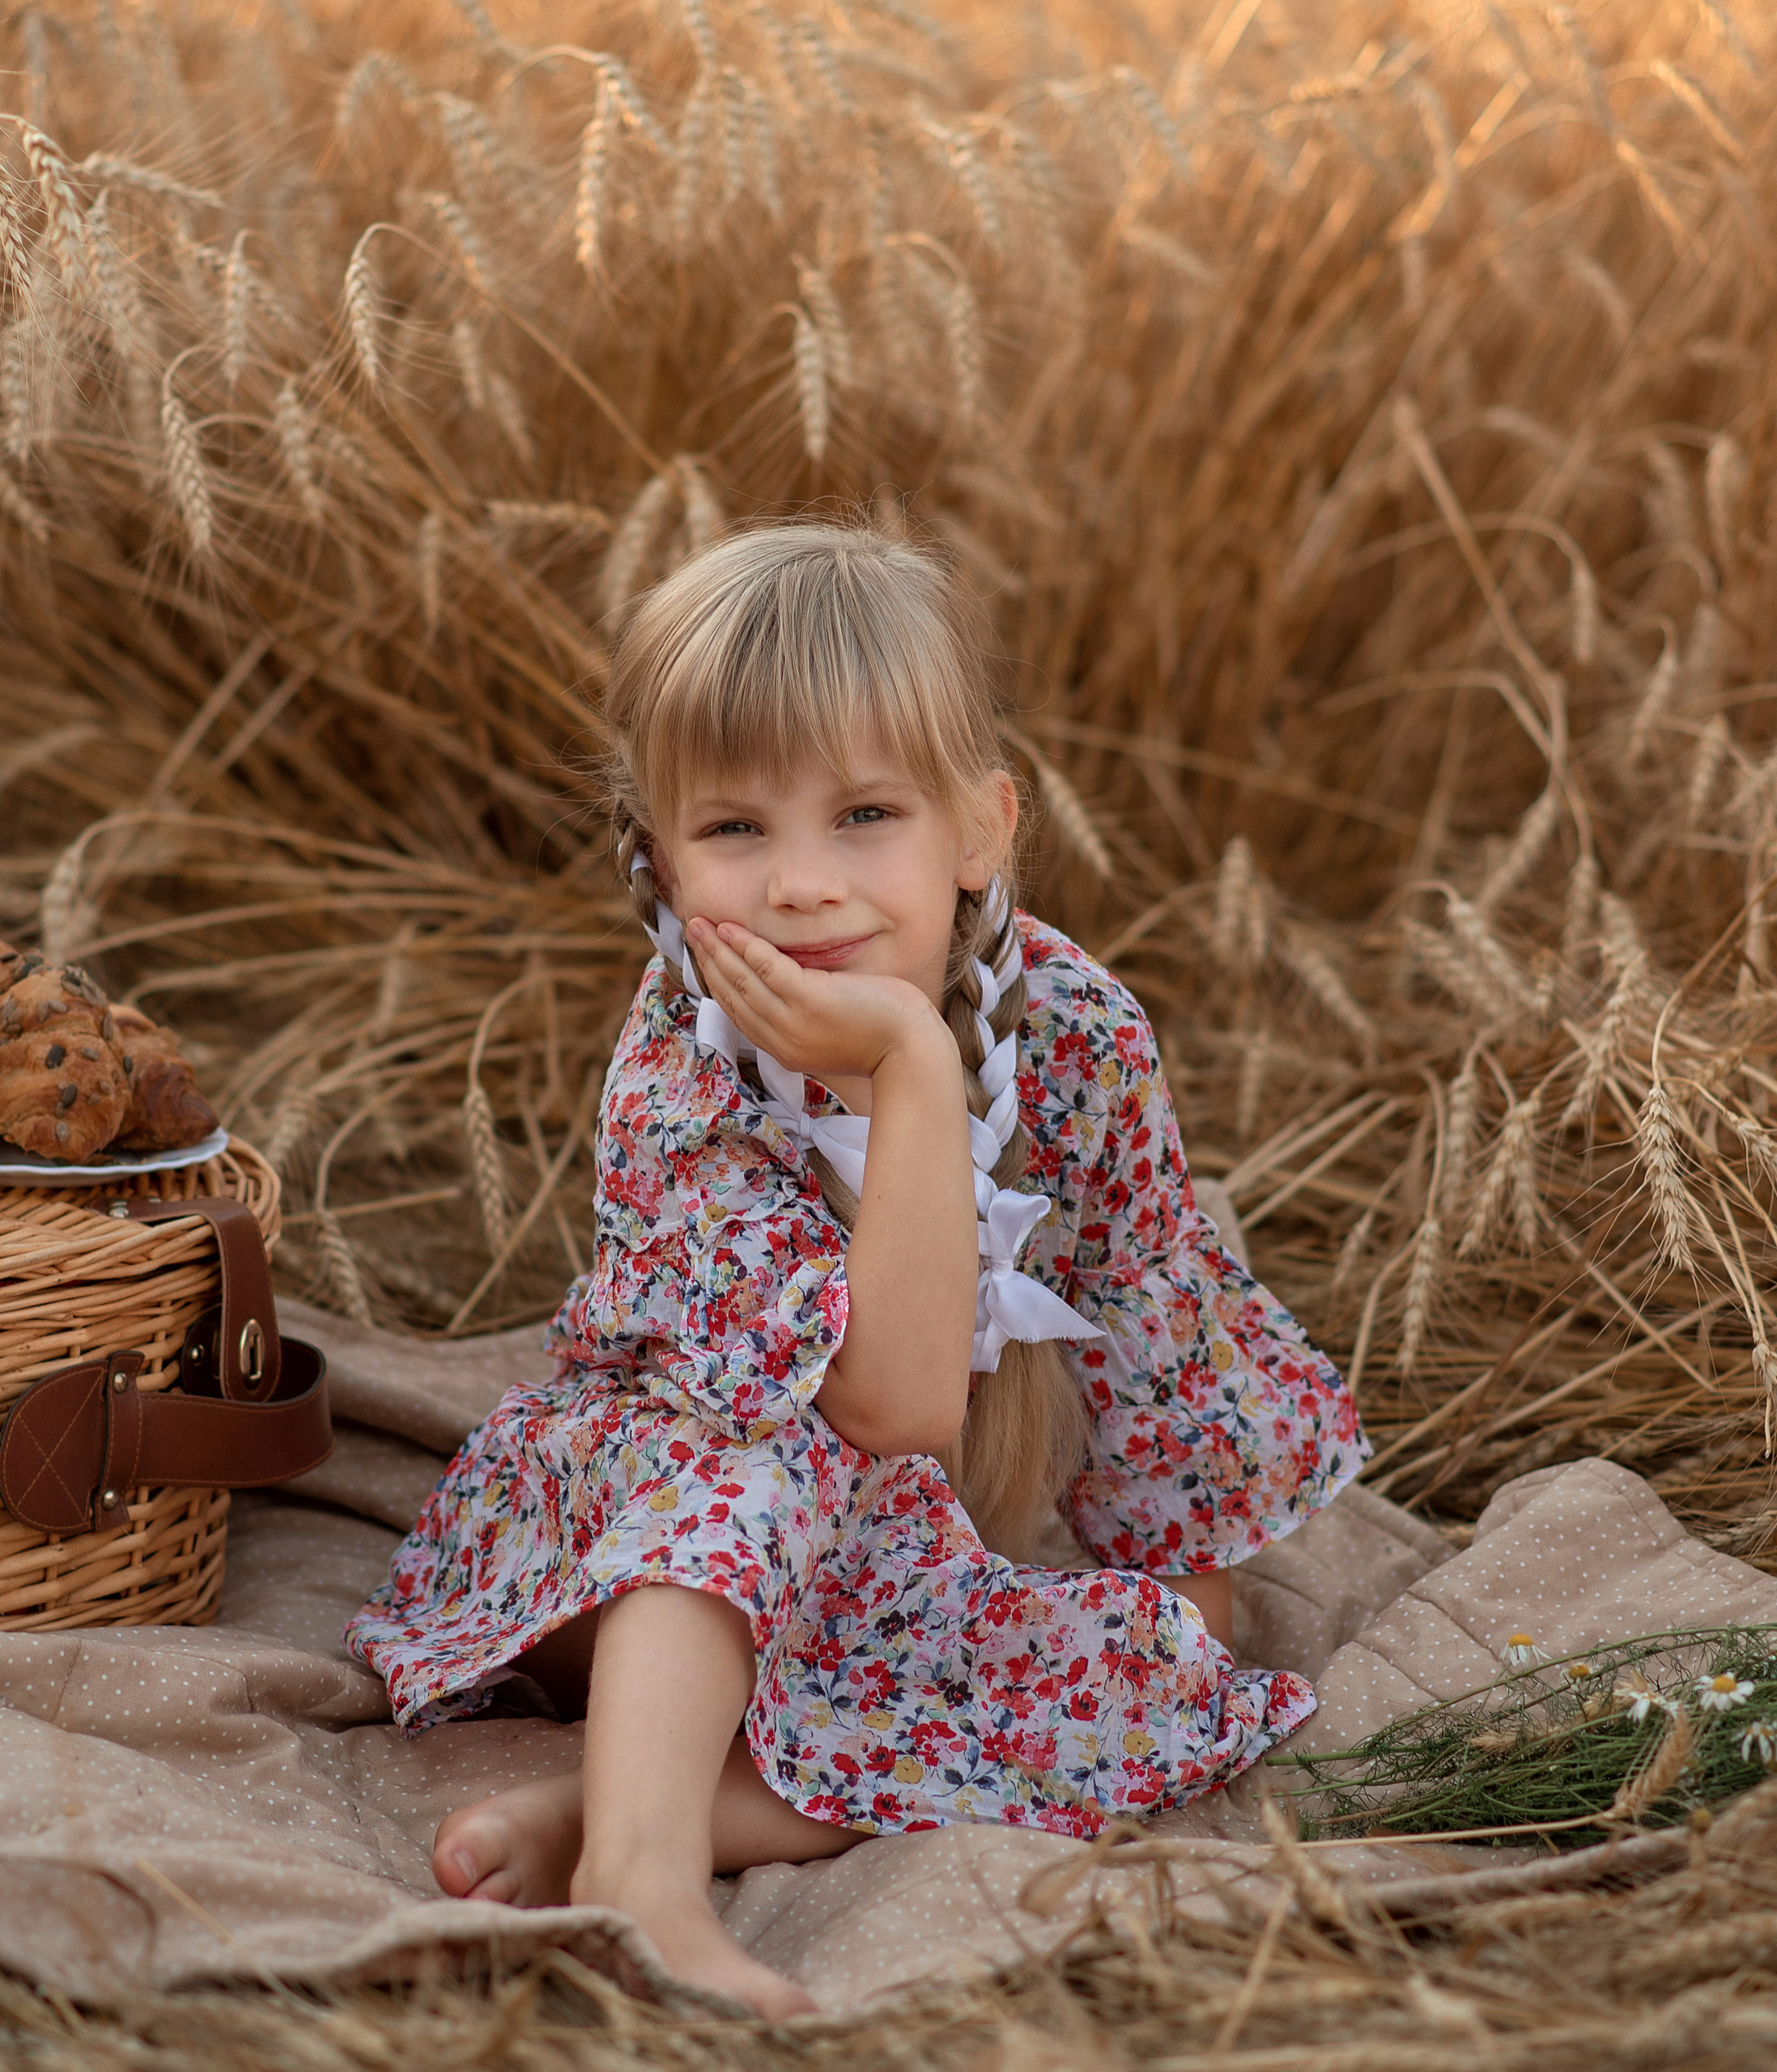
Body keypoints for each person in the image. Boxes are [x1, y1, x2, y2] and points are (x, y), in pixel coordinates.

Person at [346, 521, 1369, 2015]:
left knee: (1179, 1651)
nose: (804, 887)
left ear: (980, 828)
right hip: (648, 1566)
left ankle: (609, 1818)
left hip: (888, 1595)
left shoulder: (1073, 1035)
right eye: (736, 830)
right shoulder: (684, 1071)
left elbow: (1152, 1317)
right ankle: (646, 1875)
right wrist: (907, 1066)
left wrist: (1151, 1591)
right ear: (661, 856)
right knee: (752, 1476)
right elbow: (885, 1408)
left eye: (866, 813)